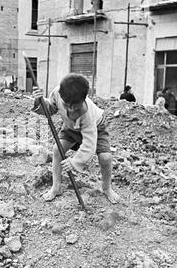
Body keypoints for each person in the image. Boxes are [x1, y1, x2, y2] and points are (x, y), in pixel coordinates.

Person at [32, 73, 120, 204]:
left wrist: (75, 161)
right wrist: (39, 101)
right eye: (67, 105)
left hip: (97, 127)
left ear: (84, 99)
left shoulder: (88, 116)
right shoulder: (57, 93)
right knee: (57, 150)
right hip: (70, 127)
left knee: (105, 158)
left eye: (76, 106)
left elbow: (89, 145)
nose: (71, 109)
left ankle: (107, 188)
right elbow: (49, 110)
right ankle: (55, 187)